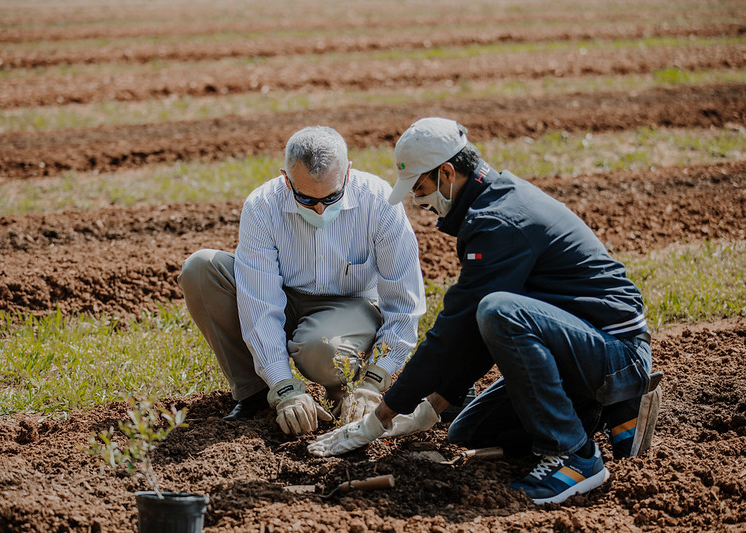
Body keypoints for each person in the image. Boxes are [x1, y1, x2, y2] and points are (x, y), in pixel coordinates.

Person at [308, 117, 662, 505]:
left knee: (498, 311)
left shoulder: (498, 221)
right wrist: (433, 406)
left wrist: (383, 415)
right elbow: (476, 333)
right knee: (468, 431)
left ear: (447, 172)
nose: (420, 202)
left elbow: (457, 329)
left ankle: (574, 456)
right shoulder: (492, 203)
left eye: (422, 188)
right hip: (580, 345)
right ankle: (609, 405)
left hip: (616, 351)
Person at [178, 126, 425, 436]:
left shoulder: (378, 201)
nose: (320, 208)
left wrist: (376, 379)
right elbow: (260, 304)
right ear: (286, 178)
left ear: (347, 174)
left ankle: (343, 392)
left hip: (351, 305)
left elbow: (403, 303)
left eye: (331, 197)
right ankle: (256, 395)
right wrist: (283, 386)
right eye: (306, 198)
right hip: (285, 295)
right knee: (201, 268)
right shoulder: (263, 206)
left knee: (320, 350)